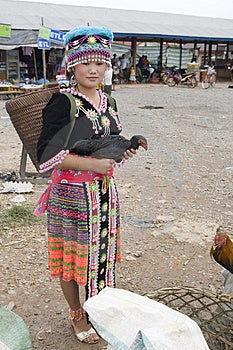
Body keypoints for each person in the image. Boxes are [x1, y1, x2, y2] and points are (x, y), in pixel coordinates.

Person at [34, 26, 136, 344]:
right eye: (85, 62)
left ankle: (100, 309)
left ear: (107, 66)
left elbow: (109, 142)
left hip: (103, 194)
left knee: (100, 255)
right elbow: (45, 156)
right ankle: (77, 314)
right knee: (72, 260)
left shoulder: (110, 102)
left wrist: (122, 150)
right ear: (72, 65)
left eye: (99, 62)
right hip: (70, 196)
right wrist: (91, 165)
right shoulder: (62, 103)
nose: (93, 69)